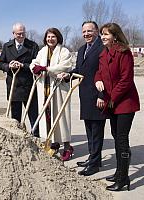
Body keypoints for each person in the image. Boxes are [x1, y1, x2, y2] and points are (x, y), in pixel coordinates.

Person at [95, 22, 140, 191]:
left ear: (115, 35)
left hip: (125, 103)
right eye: (102, 34)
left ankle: (123, 179)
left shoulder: (124, 52)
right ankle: (119, 172)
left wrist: (111, 98)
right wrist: (97, 80)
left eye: (106, 34)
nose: (103, 37)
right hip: (113, 103)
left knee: (121, 139)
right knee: (116, 136)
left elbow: (126, 80)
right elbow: (100, 72)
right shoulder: (104, 53)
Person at [59, 21, 106, 175]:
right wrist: (68, 75)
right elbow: (79, 69)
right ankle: (94, 158)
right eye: (84, 31)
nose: (86, 34)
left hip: (98, 95)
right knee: (89, 130)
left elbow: (106, 74)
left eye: (90, 31)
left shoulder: (103, 48)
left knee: (97, 130)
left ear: (97, 31)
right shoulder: (81, 49)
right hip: (85, 95)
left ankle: (94, 164)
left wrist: (102, 95)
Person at [30, 28, 74, 161]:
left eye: (53, 37)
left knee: (61, 116)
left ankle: (67, 146)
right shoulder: (42, 51)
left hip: (59, 88)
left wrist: (46, 69)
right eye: (48, 37)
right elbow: (34, 63)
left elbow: (64, 66)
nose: (50, 39)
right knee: (48, 117)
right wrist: (35, 68)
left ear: (58, 38)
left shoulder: (64, 51)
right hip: (45, 88)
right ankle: (54, 144)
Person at [0, 22, 40, 137]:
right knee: (15, 116)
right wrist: (8, 66)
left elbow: (36, 65)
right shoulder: (7, 46)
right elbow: (0, 64)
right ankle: (17, 136)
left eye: (23, 33)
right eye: (18, 34)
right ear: (13, 34)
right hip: (13, 86)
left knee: (33, 114)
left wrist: (22, 65)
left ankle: (36, 136)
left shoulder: (33, 46)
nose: (21, 36)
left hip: (29, 86)